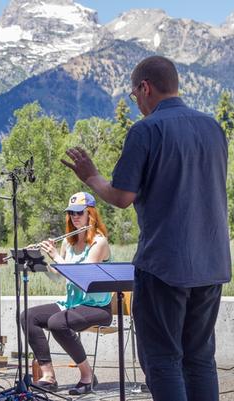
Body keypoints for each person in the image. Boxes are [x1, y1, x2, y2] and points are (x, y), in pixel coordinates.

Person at [62, 55, 231, 401]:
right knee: (200, 359)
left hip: (165, 265)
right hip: (212, 264)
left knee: (163, 360)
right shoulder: (213, 128)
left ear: (145, 87)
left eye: (133, 95)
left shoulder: (146, 130)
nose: (136, 102)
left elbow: (122, 197)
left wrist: (90, 176)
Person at [20, 192, 112, 395]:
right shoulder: (68, 243)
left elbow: (82, 277)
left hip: (96, 306)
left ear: (91, 214)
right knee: (28, 316)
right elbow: (58, 277)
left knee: (56, 322)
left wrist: (55, 256)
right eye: (71, 213)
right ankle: (48, 376)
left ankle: (88, 376)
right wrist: (38, 261)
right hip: (73, 303)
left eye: (79, 212)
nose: (74, 216)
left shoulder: (99, 242)